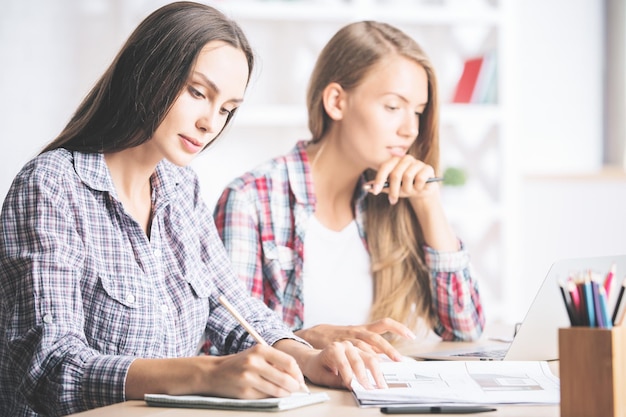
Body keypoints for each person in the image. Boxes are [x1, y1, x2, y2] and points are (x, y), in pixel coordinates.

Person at [0, 4, 383, 416]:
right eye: (198, 92)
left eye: (226, 109)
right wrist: (205, 373)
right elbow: (48, 369)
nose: (210, 123)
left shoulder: (181, 188)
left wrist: (305, 358)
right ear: (146, 72)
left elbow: (230, 304)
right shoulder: (52, 185)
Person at [213, 20, 485, 359]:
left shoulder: (395, 200)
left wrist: (429, 205)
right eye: (393, 107)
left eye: (418, 111)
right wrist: (306, 341)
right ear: (337, 102)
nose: (410, 129)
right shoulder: (251, 200)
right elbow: (226, 349)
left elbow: (466, 329)